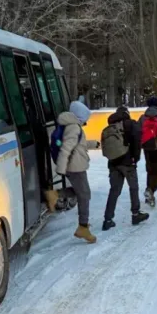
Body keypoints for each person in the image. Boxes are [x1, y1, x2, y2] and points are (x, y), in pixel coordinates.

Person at [55, 101, 98, 243]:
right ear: (80, 116)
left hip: (77, 165)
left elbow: (80, 144)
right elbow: (66, 148)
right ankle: (83, 227)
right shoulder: (74, 127)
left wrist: (94, 144)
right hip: (75, 167)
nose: (86, 122)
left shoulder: (73, 126)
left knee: (81, 192)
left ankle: (53, 195)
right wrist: (61, 168)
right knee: (85, 195)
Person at [101, 106, 149, 231]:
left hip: (113, 163)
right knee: (133, 187)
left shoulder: (109, 128)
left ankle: (107, 219)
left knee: (114, 190)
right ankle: (135, 214)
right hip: (128, 162)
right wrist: (135, 158)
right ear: (127, 113)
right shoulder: (131, 124)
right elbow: (137, 142)